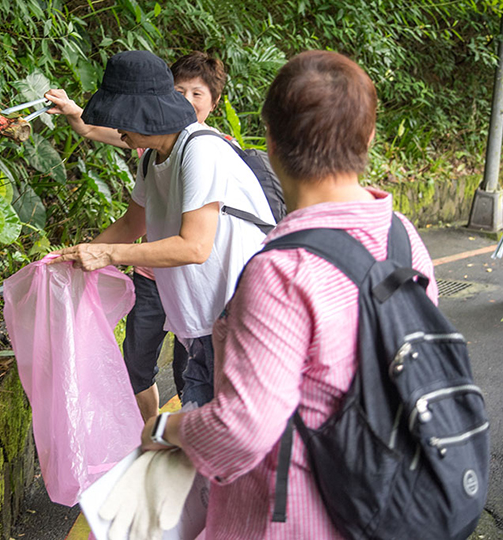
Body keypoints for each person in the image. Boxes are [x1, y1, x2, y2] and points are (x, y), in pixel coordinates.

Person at [138, 50, 440, 538]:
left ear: (272, 145)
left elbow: (242, 430)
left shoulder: (279, 269)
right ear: (368, 138)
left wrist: (162, 430)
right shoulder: (402, 237)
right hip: (381, 498)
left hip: (287, 517)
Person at [47, 50, 275, 410]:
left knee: (223, 435)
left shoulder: (200, 150)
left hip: (239, 319)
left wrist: (106, 255)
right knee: (202, 434)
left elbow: (195, 247)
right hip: (199, 321)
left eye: (121, 118)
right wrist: (73, 257)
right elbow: (131, 224)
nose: (118, 129)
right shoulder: (153, 158)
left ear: (143, 115)